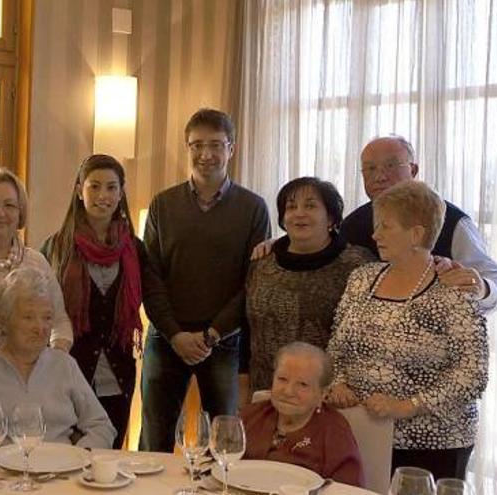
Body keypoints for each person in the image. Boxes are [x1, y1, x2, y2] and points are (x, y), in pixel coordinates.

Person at [327, 180, 488, 479]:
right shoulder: (362, 278)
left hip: (434, 445)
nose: (375, 235)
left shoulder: (454, 290)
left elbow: (472, 374)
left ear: (416, 234)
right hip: (363, 430)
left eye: (386, 227)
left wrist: (408, 406)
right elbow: (338, 343)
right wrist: (338, 383)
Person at [252, 135, 497, 314]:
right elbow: (323, 251)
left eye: (391, 165)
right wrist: (281, 243)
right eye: (370, 168)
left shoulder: (451, 220)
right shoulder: (355, 222)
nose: (380, 176)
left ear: (413, 170)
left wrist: (482, 287)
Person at [139, 108, 270, 452]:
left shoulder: (253, 208)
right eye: (197, 145)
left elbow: (254, 281)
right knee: (154, 437)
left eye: (215, 145)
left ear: (232, 148)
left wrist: (212, 334)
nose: (206, 154)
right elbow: (149, 276)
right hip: (167, 338)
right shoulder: (162, 205)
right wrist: (174, 333)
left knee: (224, 441)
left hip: (224, 341)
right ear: (187, 147)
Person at [0, 267, 116, 449]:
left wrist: (78, 456)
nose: (40, 328)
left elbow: (101, 426)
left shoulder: (64, 365)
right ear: (3, 321)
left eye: (47, 317)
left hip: (60, 476)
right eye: (28, 317)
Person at [41, 154, 149, 448]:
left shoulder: (135, 248)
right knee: (67, 454)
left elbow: (156, 297)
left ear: (121, 192)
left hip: (118, 370)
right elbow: (41, 308)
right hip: (70, 368)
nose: (104, 196)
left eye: (112, 188)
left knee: (111, 455)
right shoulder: (56, 246)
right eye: (95, 187)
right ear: (79, 191)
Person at [244, 177, 373, 392]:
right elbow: (247, 328)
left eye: (310, 206)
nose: (299, 213)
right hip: (267, 389)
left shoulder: (357, 264)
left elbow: (369, 338)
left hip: (330, 394)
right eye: (291, 207)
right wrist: (242, 384)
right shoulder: (261, 263)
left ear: (331, 217)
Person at [0, 169, 73, 352]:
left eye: (9, 205)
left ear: (20, 212)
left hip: (24, 376)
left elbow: (59, 322)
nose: (0, 213)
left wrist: (55, 358)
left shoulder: (37, 263)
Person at [241, 342, 364, 487]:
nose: (288, 391)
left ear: (322, 394)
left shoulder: (334, 432)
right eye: (282, 379)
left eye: (303, 384)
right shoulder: (251, 415)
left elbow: (348, 489)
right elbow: (217, 466)